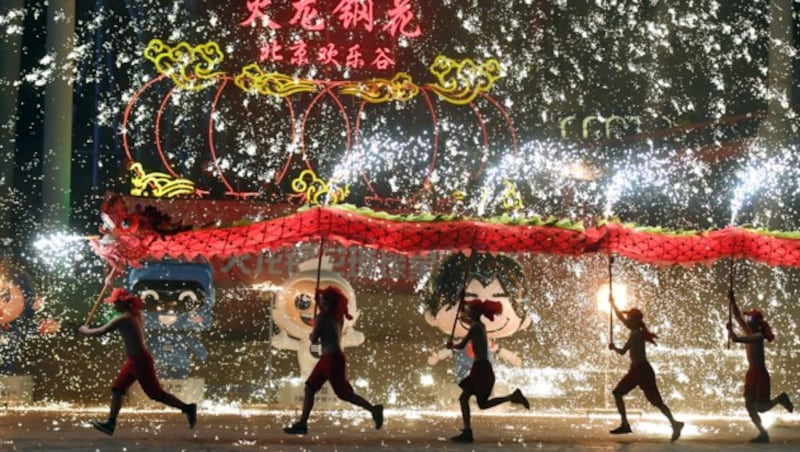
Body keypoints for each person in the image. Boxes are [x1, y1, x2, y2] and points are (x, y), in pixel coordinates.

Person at [78, 287, 197, 435]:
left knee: (156, 394)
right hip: (133, 361)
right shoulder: (135, 314)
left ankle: (187, 408)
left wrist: (84, 330)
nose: (113, 306)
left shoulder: (124, 319)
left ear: (123, 303)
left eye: (115, 303)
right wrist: (108, 284)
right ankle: (110, 424)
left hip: (140, 362)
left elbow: (100, 331)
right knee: (117, 389)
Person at [283, 286, 383, 435]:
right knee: (309, 387)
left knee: (344, 394)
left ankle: (374, 409)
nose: (320, 300)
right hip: (329, 358)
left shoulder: (322, 317)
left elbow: (315, 339)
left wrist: (315, 327)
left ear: (328, 302)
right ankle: (302, 423)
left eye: (322, 299)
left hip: (332, 359)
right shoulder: (337, 317)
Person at [446, 299, 530, 443]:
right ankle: (468, 431)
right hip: (480, 368)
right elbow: (466, 319)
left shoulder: (475, 328)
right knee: (473, 401)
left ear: (474, 314)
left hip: (481, 370)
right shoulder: (479, 326)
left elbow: (461, 346)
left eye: (469, 311)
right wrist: (461, 306)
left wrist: (451, 345)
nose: (467, 313)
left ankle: (468, 432)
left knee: (472, 401)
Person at [608, 297, 683, 442]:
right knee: (617, 393)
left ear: (634, 321)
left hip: (643, 372)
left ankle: (675, 424)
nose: (626, 320)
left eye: (629, 318)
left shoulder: (636, 334)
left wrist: (613, 348)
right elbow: (621, 318)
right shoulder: (635, 329)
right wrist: (613, 304)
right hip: (635, 370)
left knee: (657, 402)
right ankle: (625, 424)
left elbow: (623, 351)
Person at [727, 288, 793, 443]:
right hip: (751, 373)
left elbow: (737, 340)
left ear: (756, 324)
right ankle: (763, 433)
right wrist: (732, 300)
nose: (747, 322)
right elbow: (737, 317)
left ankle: (780, 399)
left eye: (750, 320)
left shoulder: (757, 336)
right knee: (749, 407)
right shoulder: (750, 332)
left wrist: (730, 331)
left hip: (760, 375)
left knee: (761, 407)